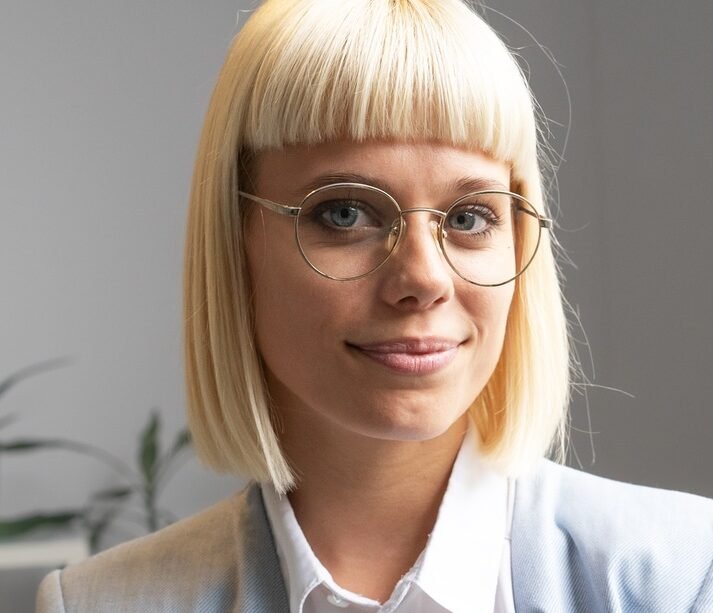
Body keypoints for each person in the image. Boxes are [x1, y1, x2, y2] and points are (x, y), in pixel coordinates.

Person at [37, 0, 713, 611]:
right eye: (344, 211)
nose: (421, 278)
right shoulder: (98, 602)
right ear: (233, 242)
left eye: (470, 216)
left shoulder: (682, 576)